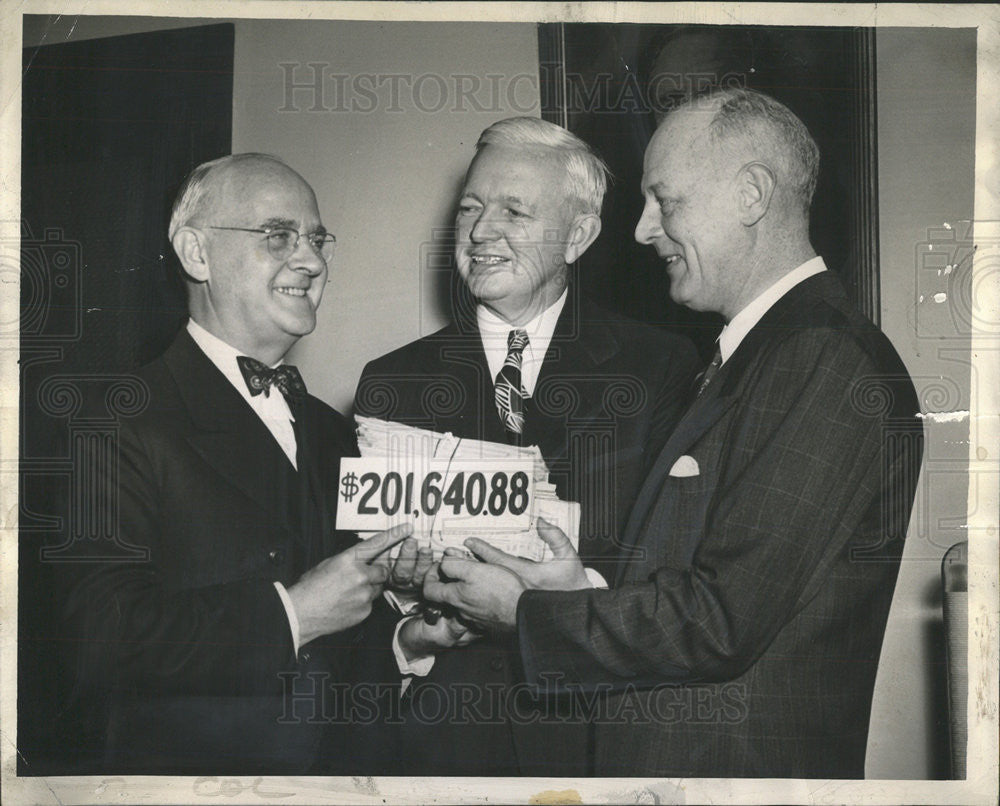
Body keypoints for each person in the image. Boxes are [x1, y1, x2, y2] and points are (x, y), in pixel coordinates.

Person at [423, 89, 923, 778]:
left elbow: (720, 619)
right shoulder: (757, 355)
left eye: (667, 201)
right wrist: (580, 595)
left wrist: (530, 614)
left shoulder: (823, 357)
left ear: (752, 195)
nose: (641, 229)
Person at [354, 117, 698, 776]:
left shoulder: (659, 368)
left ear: (579, 234)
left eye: (513, 211)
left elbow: (677, 580)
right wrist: (411, 635)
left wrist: (574, 598)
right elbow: (362, 593)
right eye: (471, 209)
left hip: (594, 741)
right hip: (443, 747)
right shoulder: (390, 384)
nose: (482, 232)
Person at [62, 153, 415, 774]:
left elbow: (342, 637)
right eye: (278, 236)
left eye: (316, 239)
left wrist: (408, 640)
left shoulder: (336, 432)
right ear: (196, 254)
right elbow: (96, 639)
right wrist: (293, 613)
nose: (312, 261)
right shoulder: (116, 419)